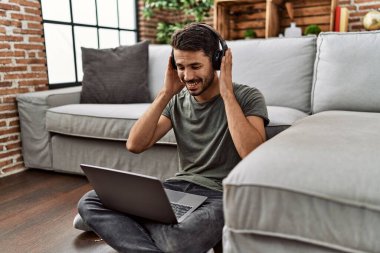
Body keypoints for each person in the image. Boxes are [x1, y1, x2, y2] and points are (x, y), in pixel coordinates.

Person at [77, 23, 269, 253]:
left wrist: (227, 95)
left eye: (196, 66)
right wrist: (165, 93)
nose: (187, 76)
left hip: (220, 195)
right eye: (181, 67)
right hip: (176, 188)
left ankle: (128, 226)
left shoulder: (247, 96)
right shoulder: (177, 100)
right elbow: (135, 145)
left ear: (217, 62)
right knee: (90, 201)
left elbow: (252, 153)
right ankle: (150, 234)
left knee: (179, 242)